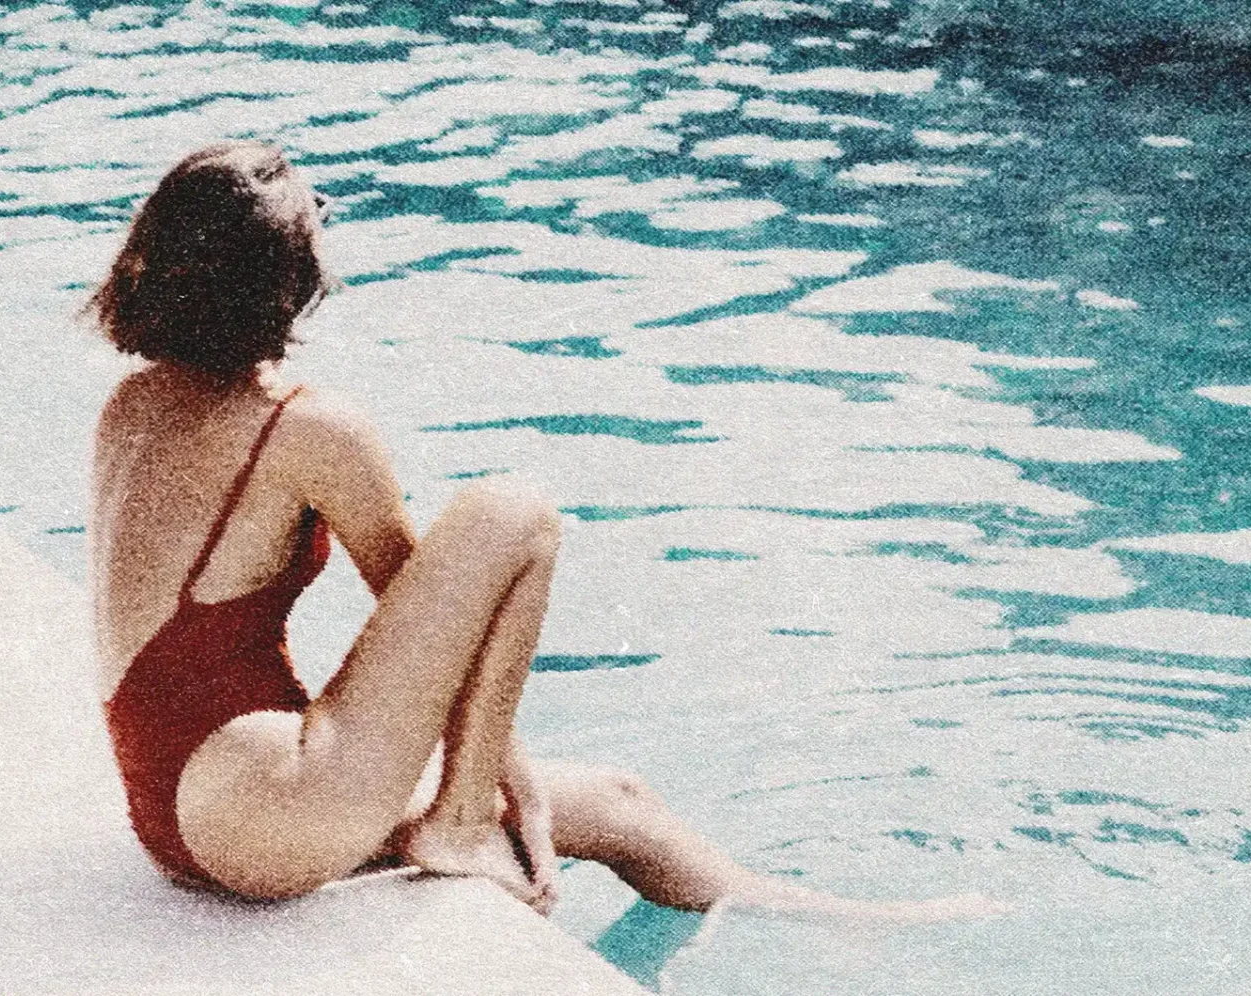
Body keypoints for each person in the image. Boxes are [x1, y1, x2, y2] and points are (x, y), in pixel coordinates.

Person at [88, 141, 997, 922]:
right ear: (286, 283)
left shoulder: (129, 407)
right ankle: (457, 829)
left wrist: (511, 781)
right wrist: (484, 786)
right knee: (514, 511)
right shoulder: (309, 427)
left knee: (615, 804)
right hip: (268, 811)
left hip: (175, 818)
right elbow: (450, 624)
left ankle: (824, 920)